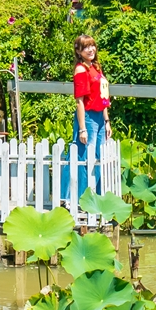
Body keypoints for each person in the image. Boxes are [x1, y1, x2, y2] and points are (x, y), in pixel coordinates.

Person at [61, 34, 111, 200]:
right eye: (86, 47)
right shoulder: (81, 69)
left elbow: (103, 97)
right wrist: (82, 128)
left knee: (98, 156)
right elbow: (79, 102)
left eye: (92, 46)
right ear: (78, 51)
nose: (91, 50)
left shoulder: (95, 67)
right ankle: (75, 198)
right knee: (83, 157)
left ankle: (94, 196)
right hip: (88, 117)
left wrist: (107, 121)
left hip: (100, 116)